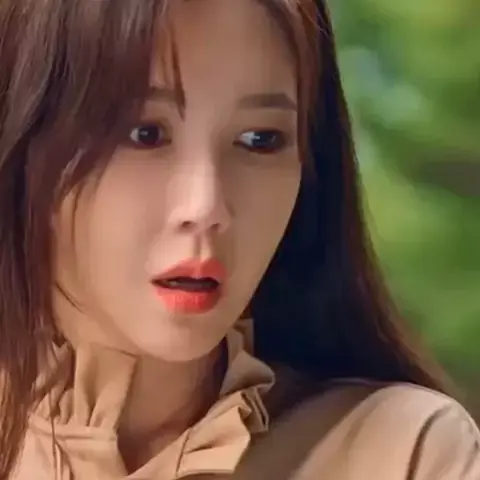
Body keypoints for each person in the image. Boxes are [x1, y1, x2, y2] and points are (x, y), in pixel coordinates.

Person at [0, 0, 478, 478]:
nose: (206, 207)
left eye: (260, 140)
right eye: (145, 133)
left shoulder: (403, 454)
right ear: (23, 140)